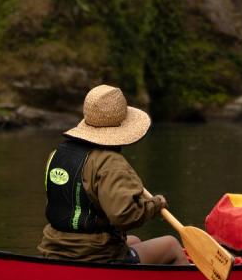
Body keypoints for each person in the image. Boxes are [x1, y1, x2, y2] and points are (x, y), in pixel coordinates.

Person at [38, 84, 188, 265]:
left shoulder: (57, 154)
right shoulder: (110, 163)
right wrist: (154, 206)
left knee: (133, 241)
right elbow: (124, 216)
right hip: (93, 254)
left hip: (55, 247)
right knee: (171, 245)